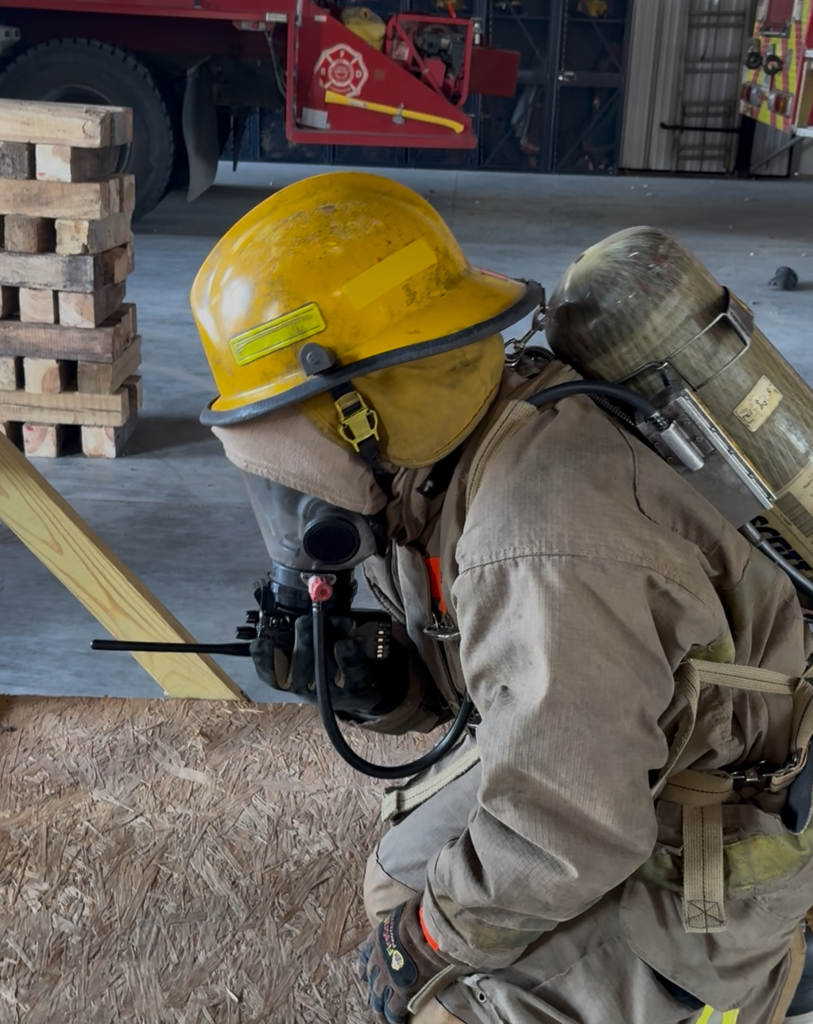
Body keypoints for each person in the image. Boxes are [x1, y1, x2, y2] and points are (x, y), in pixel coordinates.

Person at [191, 171, 813, 1024]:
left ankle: (769, 976)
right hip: (634, 754)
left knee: (453, 1000)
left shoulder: (537, 539)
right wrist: (388, 686)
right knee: (399, 879)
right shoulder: (451, 450)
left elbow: (566, 831)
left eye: (292, 435)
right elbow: (491, 674)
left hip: (710, 820)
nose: (292, 485)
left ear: (361, 406)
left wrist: (433, 945)